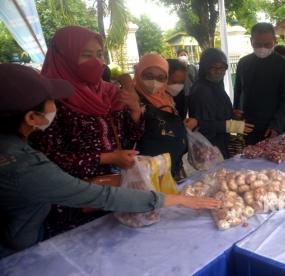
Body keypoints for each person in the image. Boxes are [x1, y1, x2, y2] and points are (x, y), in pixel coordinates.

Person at [0, 64, 220, 258]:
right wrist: (174, 200)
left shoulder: (17, 147)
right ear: (31, 117)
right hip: (16, 250)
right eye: (51, 101)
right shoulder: (22, 166)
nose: (56, 107)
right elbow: (97, 195)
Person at [28, 26, 144, 235]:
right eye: (86, 55)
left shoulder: (109, 93)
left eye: (99, 54)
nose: (96, 62)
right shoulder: (50, 101)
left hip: (114, 193)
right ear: (64, 57)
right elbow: (49, 161)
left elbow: (127, 139)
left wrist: (135, 111)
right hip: (73, 204)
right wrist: (108, 158)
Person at [133, 54, 197, 181]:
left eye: (161, 77)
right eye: (148, 76)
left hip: (171, 170)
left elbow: (167, 127)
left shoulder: (167, 99)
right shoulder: (132, 100)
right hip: (147, 175)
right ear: (139, 73)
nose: (154, 81)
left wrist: (180, 125)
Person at [234, 23, 285, 145]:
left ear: (275, 41)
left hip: (272, 127)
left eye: (267, 44)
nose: (262, 48)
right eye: (257, 44)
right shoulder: (243, 63)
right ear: (251, 41)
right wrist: (237, 118)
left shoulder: (284, 65)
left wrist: (277, 124)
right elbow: (238, 92)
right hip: (247, 125)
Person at [189, 48, 254, 158]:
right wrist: (233, 126)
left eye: (223, 68)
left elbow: (215, 112)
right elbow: (201, 124)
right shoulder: (201, 90)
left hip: (221, 142)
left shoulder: (216, 85)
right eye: (214, 67)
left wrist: (231, 113)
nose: (219, 71)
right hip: (209, 146)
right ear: (205, 68)